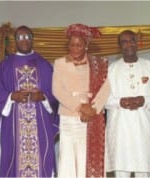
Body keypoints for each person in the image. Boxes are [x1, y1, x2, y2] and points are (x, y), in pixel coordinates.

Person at [0, 25, 59, 177]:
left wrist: (43, 97)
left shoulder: (44, 65)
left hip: (40, 124)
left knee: (42, 159)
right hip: (13, 123)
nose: (24, 40)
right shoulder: (5, 66)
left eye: (28, 37)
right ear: (15, 41)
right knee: (12, 159)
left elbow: (55, 92)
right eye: (20, 37)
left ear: (33, 40)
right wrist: (11, 96)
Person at [52, 23, 110, 177]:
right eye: (72, 45)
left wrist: (93, 109)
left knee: (86, 159)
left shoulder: (99, 64)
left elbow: (106, 87)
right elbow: (57, 90)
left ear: (86, 45)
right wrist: (80, 107)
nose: (75, 49)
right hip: (68, 116)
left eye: (79, 45)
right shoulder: (60, 63)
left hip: (91, 117)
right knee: (67, 158)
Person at [105, 30, 150, 177]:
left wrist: (144, 100)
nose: (129, 44)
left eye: (132, 40)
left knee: (143, 169)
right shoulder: (111, 70)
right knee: (121, 169)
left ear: (137, 43)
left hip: (143, 127)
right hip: (120, 129)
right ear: (119, 46)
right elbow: (104, 99)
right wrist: (120, 102)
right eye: (124, 41)